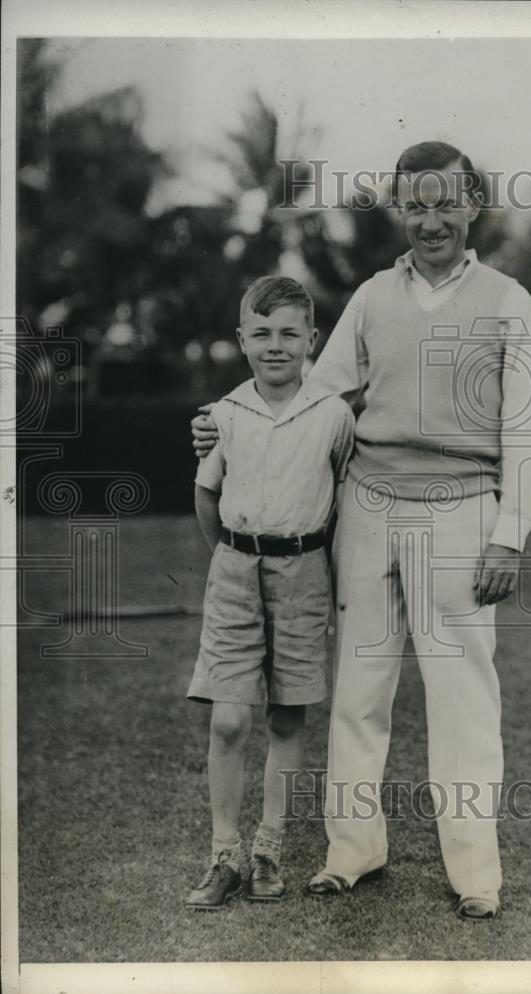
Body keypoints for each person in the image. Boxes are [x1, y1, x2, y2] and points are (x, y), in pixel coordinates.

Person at [192, 141, 531, 920]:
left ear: (472, 203)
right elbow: (310, 401)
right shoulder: (370, 298)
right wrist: (228, 429)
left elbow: (529, 432)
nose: (431, 221)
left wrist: (510, 533)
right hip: (367, 510)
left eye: (444, 203)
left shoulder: (506, 299)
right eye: (414, 205)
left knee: (461, 695)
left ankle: (473, 872)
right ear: (399, 209)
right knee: (358, 689)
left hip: (463, 512)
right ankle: (352, 851)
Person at [185, 275, 354, 910]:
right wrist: (232, 555)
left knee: (287, 714)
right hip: (234, 569)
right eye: (261, 333)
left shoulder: (333, 413)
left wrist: (309, 563)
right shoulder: (224, 414)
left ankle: (268, 848)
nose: (275, 346)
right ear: (241, 340)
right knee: (229, 718)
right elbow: (207, 495)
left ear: (312, 339)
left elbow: (342, 497)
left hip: (305, 572)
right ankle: (223, 852)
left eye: (289, 333)